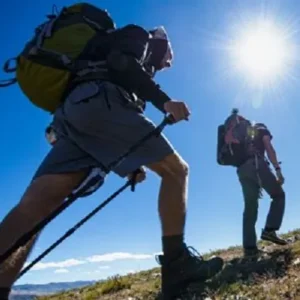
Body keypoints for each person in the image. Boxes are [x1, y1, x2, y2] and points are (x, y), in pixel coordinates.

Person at [0, 9, 223, 300]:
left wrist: (129, 166)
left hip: (74, 115)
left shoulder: (101, 52)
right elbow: (122, 63)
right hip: (100, 100)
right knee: (176, 171)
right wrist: (165, 101)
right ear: (160, 41)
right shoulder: (138, 36)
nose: (168, 63)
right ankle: (177, 267)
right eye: (169, 55)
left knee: (33, 208)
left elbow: (112, 123)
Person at [217, 109, 287, 259]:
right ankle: (270, 230)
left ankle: (249, 249)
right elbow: (268, 148)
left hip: (242, 171)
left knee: (250, 207)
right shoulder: (259, 127)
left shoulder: (233, 132)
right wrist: (278, 170)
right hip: (256, 164)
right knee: (278, 195)